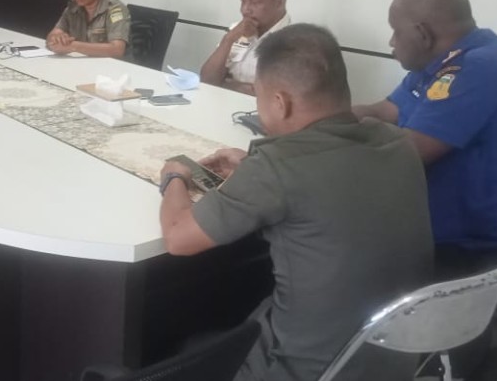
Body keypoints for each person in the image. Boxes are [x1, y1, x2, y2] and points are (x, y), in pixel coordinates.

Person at [160, 24, 433, 381]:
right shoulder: (397, 143)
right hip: (395, 358)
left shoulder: (276, 167)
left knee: (185, 340)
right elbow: (334, 180)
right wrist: (252, 170)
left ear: (280, 103)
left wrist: (174, 177)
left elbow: (178, 237)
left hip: (307, 369)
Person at [353, 0, 497, 378]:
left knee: (355, 282)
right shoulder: (440, 64)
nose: (391, 42)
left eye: (395, 32)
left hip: (487, 252)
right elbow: (385, 111)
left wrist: (328, 153)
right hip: (456, 240)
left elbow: (407, 156)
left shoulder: (479, 67)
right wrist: (321, 119)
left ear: (423, 33)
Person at [200, 0, 291, 95]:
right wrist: (228, 39)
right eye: (243, 1)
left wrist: (224, 83)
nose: (245, 10)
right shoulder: (237, 31)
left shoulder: (294, 43)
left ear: (279, 3)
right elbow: (207, 81)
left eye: (254, 3)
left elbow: (273, 96)